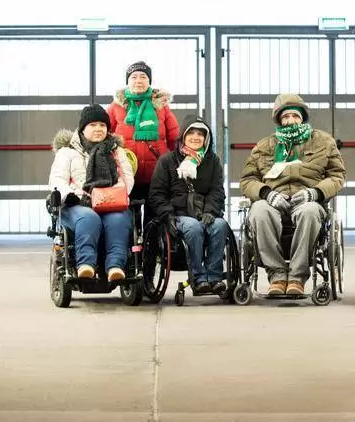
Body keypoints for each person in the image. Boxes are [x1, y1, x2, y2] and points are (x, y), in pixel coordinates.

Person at [239, 93, 346, 296]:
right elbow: (247, 179)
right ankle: (277, 275)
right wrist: (266, 194)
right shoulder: (264, 146)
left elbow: (337, 175)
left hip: (307, 200)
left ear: (303, 117)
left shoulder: (323, 141)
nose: (290, 120)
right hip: (273, 200)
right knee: (259, 211)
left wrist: (314, 193)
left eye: (295, 116)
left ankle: (297, 277)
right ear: (279, 120)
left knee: (310, 212)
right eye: (286, 116)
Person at [48, 104, 135, 281]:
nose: (98, 129)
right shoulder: (67, 152)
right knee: (89, 218)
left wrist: (115, 192)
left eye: (102, 125)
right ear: (83, 128)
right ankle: (86, 264)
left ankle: (115, 266)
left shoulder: (116, 151)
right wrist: (68, 195)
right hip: (77, 204)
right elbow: (57, 179)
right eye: (93, 125)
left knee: (118, 220)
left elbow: (127, 178)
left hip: (110, 202)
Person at [147, 115, 229, 294]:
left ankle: (214, 277)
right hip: (178, 214)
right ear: (183, 136)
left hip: (204, 212)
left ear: (206, 138)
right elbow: (157, 194)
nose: (195, 137)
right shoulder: (167, 161)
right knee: (193, 227)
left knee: (220, 225)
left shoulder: (212, 161)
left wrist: (211, 211)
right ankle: (198, 278)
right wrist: (168, 215)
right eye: (191, 133)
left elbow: (217, 191)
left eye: (201, 134)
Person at [108, 60, 180, 204]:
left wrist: (173, 160)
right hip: (125, 173)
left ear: (149, 81)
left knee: (155, 214)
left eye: (143, 76)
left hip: (157, 173)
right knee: (127, 214)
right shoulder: (116, 107)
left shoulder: (161, 106)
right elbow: (105, 134)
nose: (138, 81)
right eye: (134, 77)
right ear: (127, 81)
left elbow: (174, 136)